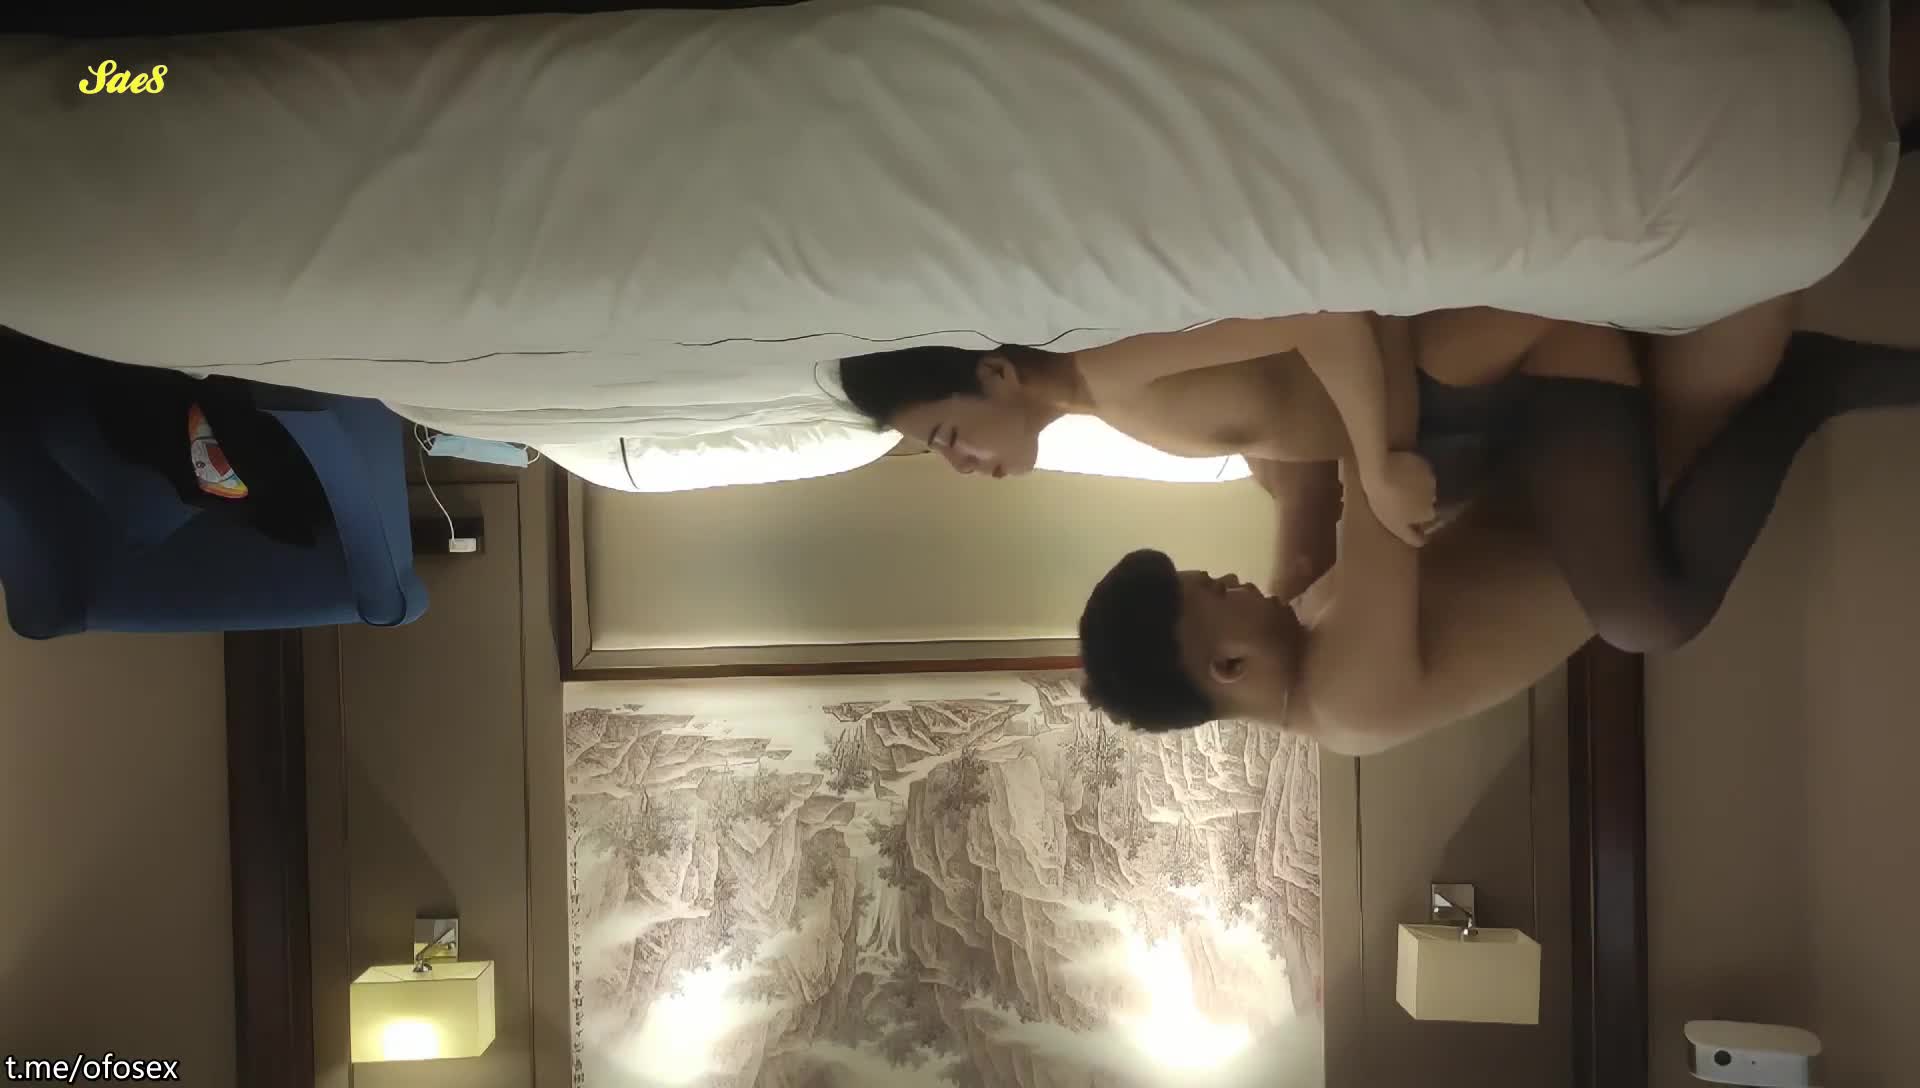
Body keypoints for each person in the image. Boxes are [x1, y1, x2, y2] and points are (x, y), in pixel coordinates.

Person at [838, 308, 1920, 652]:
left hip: (1475, 373)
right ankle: (1800, 389)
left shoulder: (1112, 365)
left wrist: (1380, 458)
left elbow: (1326, 315)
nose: (962, 465)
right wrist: (1301, 557)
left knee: (1646, 615)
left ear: (994, 374)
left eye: (947, 435)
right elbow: (1275, 424)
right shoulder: (1111, 407)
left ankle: (1806, 386)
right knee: (1619, 602)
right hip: (1462, 427)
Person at [1073, 331, 1920, 755]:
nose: (1233, 580)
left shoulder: (1300, 638)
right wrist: (1351, 346)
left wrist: (1262, 433)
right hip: (1620, 526)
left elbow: (1309, 502)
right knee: (1652, 616)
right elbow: (1371, 486)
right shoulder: (1344, 701)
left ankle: (1814, 386)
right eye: (1215, 591)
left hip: (1558, 500)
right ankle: (1809, 389)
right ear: (1227, 667)